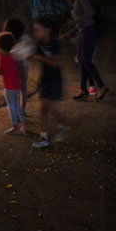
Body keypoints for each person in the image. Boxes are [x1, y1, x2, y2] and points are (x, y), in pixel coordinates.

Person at [60, 0, 109, 100]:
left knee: (85, 60)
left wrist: (75, 21)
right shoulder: (77, 0)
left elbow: (89, 13)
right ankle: (83, 89)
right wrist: (69, 32)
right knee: (82, 61)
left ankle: (101, 87)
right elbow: (81, 21)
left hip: (89, 30)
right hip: (83, 31)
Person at [30, 17, 69, 148]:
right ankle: (61, 127)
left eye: (38, 30)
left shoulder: (54, 43)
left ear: (47, 30)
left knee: (44, 110)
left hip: (54, 79)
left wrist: (40, 58)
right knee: (47, 109)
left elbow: (55, 63)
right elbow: (32, 55)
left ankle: (45, 137)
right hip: (45, 78)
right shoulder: (40, 43)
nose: (36, 33)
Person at [0, 31, 27, 135]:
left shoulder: (3, 58)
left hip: (9, 86)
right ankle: (25, 125)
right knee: (18, 106)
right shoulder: (15, 56)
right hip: (17, 84)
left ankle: (15, 127)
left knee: (11, 106)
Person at [3, 18, 35, 112]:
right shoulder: (24, 38)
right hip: (23, 66)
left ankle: (17, 110)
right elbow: (30, 50)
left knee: (13, 88)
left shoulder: (7, 39)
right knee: (23, 88)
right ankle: (22, 109)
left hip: (13, 67)